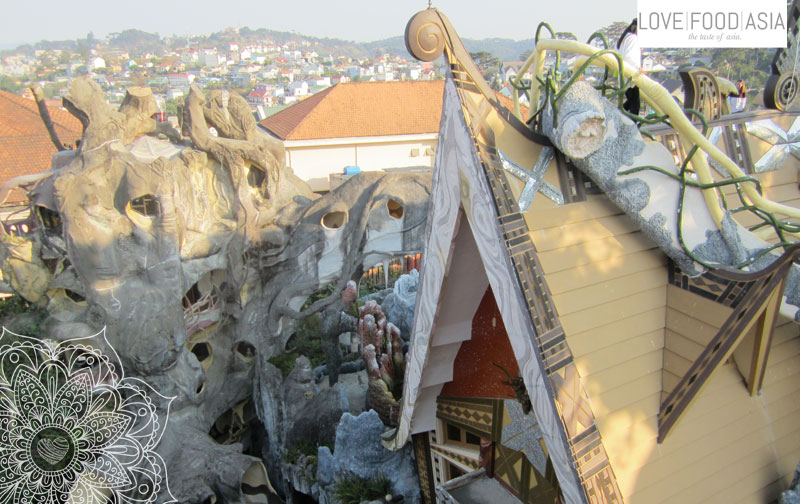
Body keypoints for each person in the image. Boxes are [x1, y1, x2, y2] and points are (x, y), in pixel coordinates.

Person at [617, 18, 642, 115]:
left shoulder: (625, 38)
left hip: (624, 75)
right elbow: (629, 56)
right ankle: (630, 124)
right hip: (630, 75)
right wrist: (639, 68)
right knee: (635, 105)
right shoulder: (633, 38)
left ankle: (615, 115)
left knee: (631, 103)